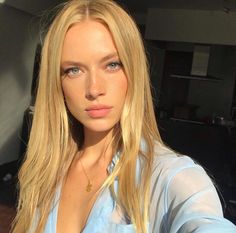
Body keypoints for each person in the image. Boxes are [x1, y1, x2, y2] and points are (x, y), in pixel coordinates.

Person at [12, 0, 236, 232]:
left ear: (133, 71)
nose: (94, 89)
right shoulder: (44, 172)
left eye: (111, 65)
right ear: (57, 83)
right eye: (74, 70)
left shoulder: (172, 178)